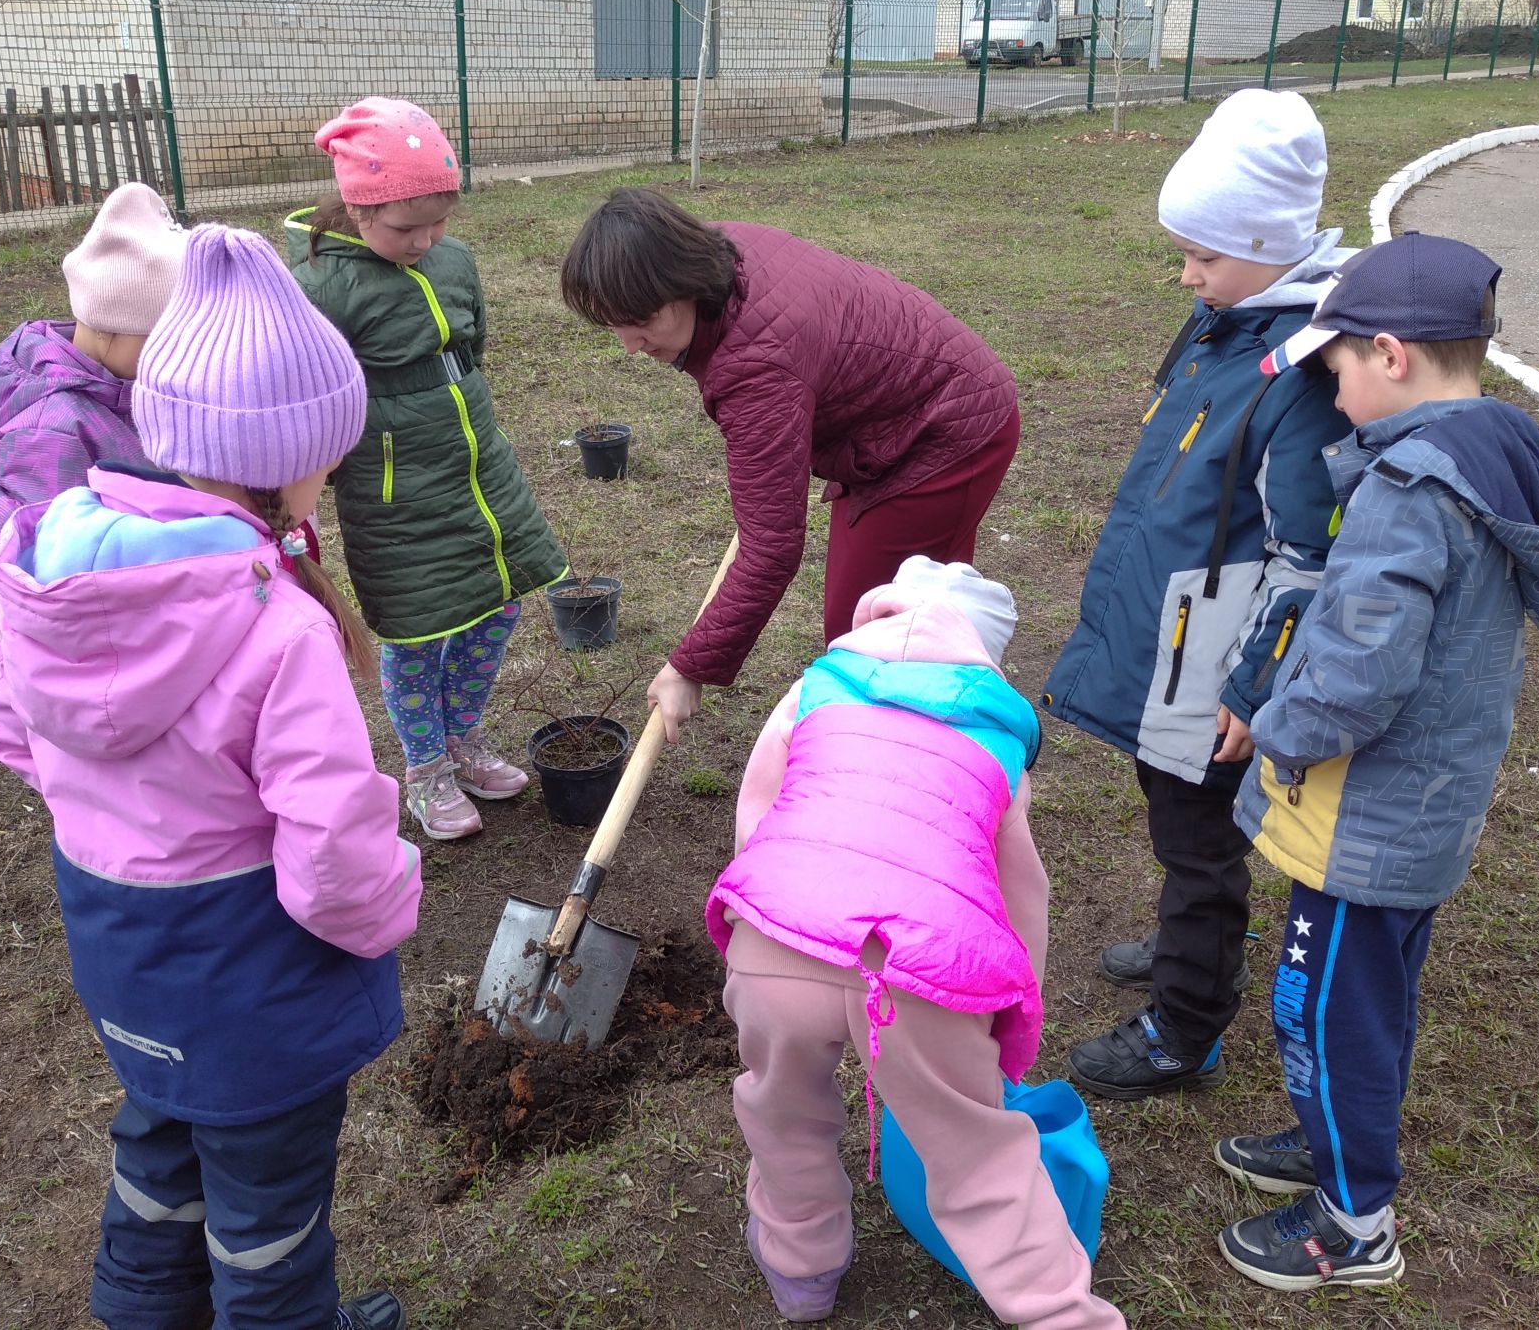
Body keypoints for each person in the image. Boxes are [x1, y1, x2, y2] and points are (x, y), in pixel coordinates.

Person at [0, 223, 420, 1330]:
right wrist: (391, 902)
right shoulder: (277, 622)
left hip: (121, 953)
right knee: (267, 1217)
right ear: (298, 458)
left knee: (159, 1153)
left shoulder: (52, 555)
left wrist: (115, 812)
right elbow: (330, 852)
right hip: (250, 986)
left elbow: (15, 728)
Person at [1212, 233, 1539, 1290]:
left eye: (1335, 366)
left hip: (1366, 819)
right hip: (1433, 804)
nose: (1332, 393)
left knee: (1324, 1002)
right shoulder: (1495, 447)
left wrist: (1282, 728)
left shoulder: (1405, 485)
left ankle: (1353, 1224)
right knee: (1374, 994)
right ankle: (1335, 1136)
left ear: (1390, 354)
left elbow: (1359, 669)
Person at [709, 559, 1127, 1329]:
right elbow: (1016, 893)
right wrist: (1006, 1022)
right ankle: (1060, 1315)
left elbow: (760, 807)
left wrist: (761, 922)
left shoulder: (815, 689)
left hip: (779, 935)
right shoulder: (995, 734)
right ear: (983, 655)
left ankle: (802, 1271)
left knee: (782, 1111)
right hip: (924, 971)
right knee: (981, 1157)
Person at [1042, 89, 1355, 1100]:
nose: (1186, 273)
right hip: (1171, 628)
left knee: (1201, 840)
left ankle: (1186, 1024)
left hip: (1213, 661)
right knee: (1175, 819)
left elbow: (1309, 555)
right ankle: (1187, 937)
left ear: (1270, 245)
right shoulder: (1224, 326)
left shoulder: (1300, 381)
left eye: (1205, 256)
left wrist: (1255, 684)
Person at [560, 188, 1019, 744]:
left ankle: (903, 766)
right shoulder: (718, 253)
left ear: (681, 284)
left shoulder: (757, 366)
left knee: (873, 632)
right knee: (877, 624)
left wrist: (689, 668)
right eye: (613, 325)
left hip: (944, 432)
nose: (629, 345)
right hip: (893, 416)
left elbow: (772, 547)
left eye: (641, 322)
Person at [288, 97, 565, 840]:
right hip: (393, 492)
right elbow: (307, 400)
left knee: (500, 600)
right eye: (406, 227)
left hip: (478, 469)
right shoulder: (318, 290)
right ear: (356, 206)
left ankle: (462, 738)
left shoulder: (453, 263)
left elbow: (470, 352)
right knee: (415, 633)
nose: (426, 240)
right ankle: (425, 770)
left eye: (439, 221)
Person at [0, 182, 187, 674]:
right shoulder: (53, 433)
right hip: (82, 657)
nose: (180, 356)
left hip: (136, 625)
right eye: (164, 339)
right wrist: (5, 668)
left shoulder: (128, 384)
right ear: (105, 324)